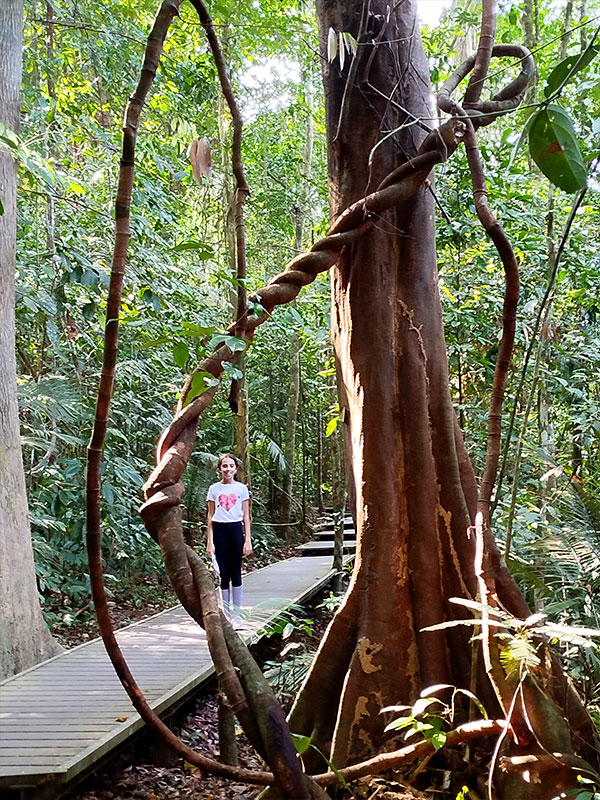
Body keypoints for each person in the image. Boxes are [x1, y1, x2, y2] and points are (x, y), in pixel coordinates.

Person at [206, 453, 252, 629]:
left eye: (231, 466)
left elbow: (246, 515)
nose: (228, 469)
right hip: (219, 530)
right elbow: (210, 516)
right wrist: (210, 542)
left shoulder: (241, 489)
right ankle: (225, 614)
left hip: (235, 530)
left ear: (236, 468)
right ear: (220, 469)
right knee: (223, 573)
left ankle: (237, 615)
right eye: (224, 466)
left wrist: (247, 540)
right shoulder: (214, 489)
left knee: (235, 571)